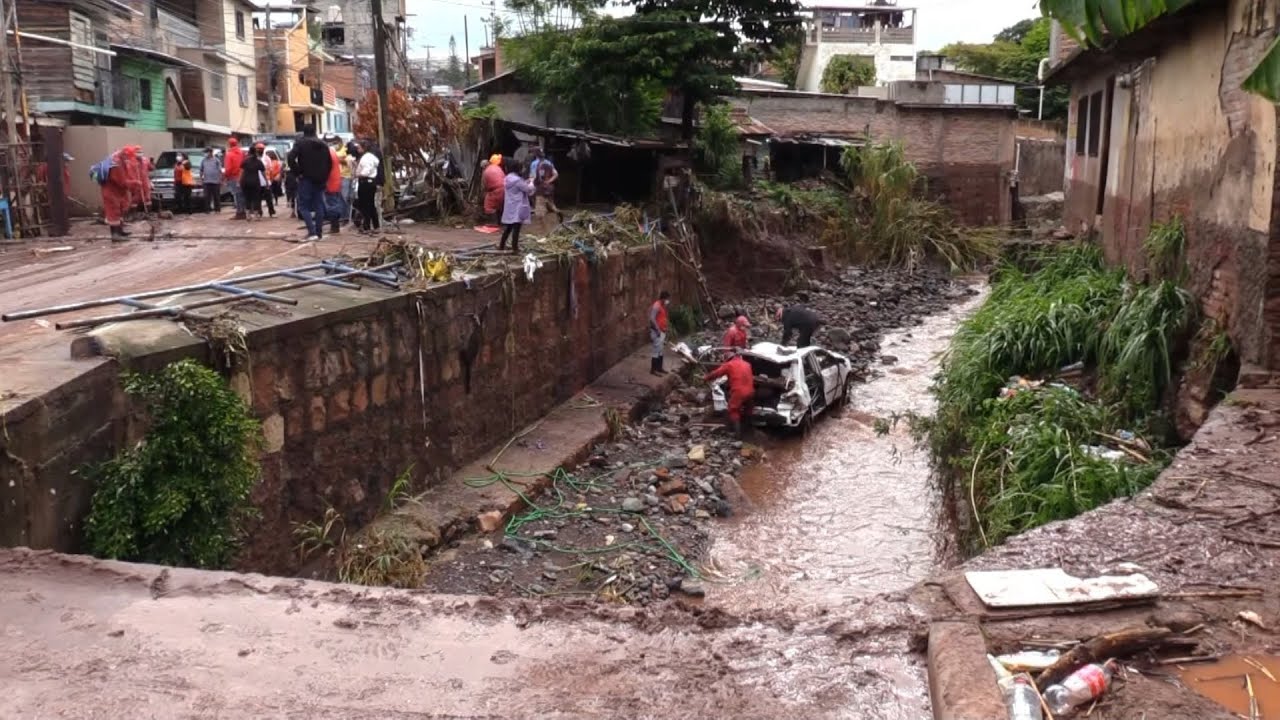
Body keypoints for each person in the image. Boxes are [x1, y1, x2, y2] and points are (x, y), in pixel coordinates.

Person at [287, 124, 333, 241]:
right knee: (319, 205)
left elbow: (291, 158)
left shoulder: (301, 143)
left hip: (306, 178)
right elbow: (330, 162)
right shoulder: (324, 145)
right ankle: (319, 232)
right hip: (320, 179)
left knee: (304, 206)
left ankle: (312, 232)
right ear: (315, 131)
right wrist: (325, 176)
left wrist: (298, 172)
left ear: (304, 132)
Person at [704, 351, 755, 437]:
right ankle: (749, 430)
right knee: (748, 409)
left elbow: (717, 373)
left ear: (727, 359)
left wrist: (706, 377)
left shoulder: (729, 365)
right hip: (751, 391)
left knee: (733, 409)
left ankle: (737, 435)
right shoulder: (747, 364)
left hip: (739, 391)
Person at [101, 145, 143, 240]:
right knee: (113, 212)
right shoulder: (116, 164)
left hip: (117, 192)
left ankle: (119, 231)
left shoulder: (120, 161)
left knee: (119, 210)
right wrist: (135, 183)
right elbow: (122, 182)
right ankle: (115, 235)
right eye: (129, 157)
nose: (129, 159)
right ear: (125, 154)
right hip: (111, 192)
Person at [499, 157, 534, 254]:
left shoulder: (507, 179)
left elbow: (521, 186)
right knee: (516, 228)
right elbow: (528, 190)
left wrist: (525, 182)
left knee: (509, 227)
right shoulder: (518, 180)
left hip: (510, 206)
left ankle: (501, 245)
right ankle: (515, 248)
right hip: (518, 206)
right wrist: (531, 182)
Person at [529, 146, 564, 224]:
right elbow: (556, 174)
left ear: (535, 154)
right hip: (549, 188)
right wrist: (548, 181)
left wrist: (530, 183)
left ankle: (542, 225)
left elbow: (533, 177)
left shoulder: (534, 164)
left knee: (539, 207)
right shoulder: (549, 162)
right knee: (550, 203)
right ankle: (557, 211)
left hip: (540, 188)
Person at [354, 142, 381, 233]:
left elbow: (366, 171)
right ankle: (376, 225)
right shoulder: (373, 157)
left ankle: (366, 226)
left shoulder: (365, 158)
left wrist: (358, 174)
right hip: (372, 182)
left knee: (364, 205)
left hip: (365, 182)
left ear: (363, 148)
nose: (357, 150)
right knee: (371, 204)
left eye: (359, 148)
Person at [240, 144, 267, 221]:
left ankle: (248, 215)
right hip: (255, 182)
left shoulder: (245, 161)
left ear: (249, 152)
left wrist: (239, 181)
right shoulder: (258, 161)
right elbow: (263, 173)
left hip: (245, 182)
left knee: (247, 198)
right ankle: (256, 215)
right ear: (256, 152)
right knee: (256, 198)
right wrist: (266, 182)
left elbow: (241, 172)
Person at [649, 290, 671, 376]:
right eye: (667, 299)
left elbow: (662, 318)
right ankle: (653, 369)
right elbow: (652, 319)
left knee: (661, 350)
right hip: (656, 332)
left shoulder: (662, 306)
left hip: (662, 331)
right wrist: (658, 330)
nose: (668, 301)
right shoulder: (656, 306)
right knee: (656, 350)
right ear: (663, 298)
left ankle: (659, 367)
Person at [324, 141, 344, 235]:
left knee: (332, 205)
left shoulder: (328, 154)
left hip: (331, 182)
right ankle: (335, 224)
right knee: (334, 203)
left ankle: (335, 226)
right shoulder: (332, 153)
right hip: (335, 181)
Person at [223, 137, 246, 219]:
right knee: (241, 195)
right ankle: (243, 211)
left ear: (229, 144)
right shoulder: (241, 153)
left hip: (233, 177)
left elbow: (228, 168)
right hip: (242, 176)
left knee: (236, 195)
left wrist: (225, 176)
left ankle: (239, 213)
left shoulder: (229, 155)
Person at [481, 153, 505, 228]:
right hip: (505, 188)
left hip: (496, 189)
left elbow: (485, 185)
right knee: (500, 205)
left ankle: (493, 222)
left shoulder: (486, 172)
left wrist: (485, 193)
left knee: (488, 205)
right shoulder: (497, 167)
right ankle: (502, 222)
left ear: (484, 166)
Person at [199, 147, 222, 212]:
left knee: (216, 196)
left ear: (210, 152)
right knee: (207, 197)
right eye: (205, 152)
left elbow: (220, 170)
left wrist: (221, 179)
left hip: (215, 181)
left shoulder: (216, 160)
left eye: (206, 152)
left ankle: (217, 210)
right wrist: (201, 179)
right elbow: (201, 170)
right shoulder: (203, 160)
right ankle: (207, 210)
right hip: (206, 181)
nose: (205, 154)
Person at [264, 148, 284, 216]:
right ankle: (274, 202)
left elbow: (277, 170)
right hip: (271, 178)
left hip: (273, 178)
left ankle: (275, 201)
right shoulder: (274, 162)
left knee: (273, 191)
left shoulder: (275, 162)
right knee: (273, 191)